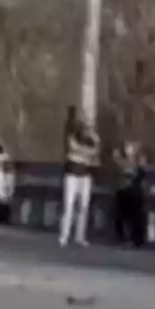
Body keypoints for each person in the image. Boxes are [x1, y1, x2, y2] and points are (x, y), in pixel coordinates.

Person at [58, 105, 99, 247]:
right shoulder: (71, 131)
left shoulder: (91, 135)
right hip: (72, 173)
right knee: (69, 205)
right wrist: (85, 152)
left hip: (85, 174)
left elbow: (95, 150)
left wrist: (81, 152)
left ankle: (80, 236)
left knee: (83, 206)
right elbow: (72, 147)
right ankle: (64, 235)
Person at [111, 140, 147, 247]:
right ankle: (121, 236)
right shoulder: (119, 160)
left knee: (136, 213)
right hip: (123, 190)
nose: (129, 150)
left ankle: (137, 238)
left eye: (131, 147)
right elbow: (123, 170)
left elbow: (140, 173)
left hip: (134, 190)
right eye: (127, 147)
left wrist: (134, 169)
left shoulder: (139, 160)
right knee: (121, 213)